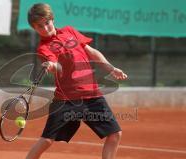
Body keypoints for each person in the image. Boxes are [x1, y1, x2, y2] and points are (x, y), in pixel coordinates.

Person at [26, 3, 128, 159]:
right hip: (66, 100)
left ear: (52, 19)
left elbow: (91, 51)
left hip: (92, 95)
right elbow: (56, 65)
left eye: (47, 23)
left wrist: (111, 68)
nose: (45, 28)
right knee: (47, 140)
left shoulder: (69, 31)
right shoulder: (43, 48)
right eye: (40, 26)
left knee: (115, 134)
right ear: (34, 28)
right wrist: (52, 65)